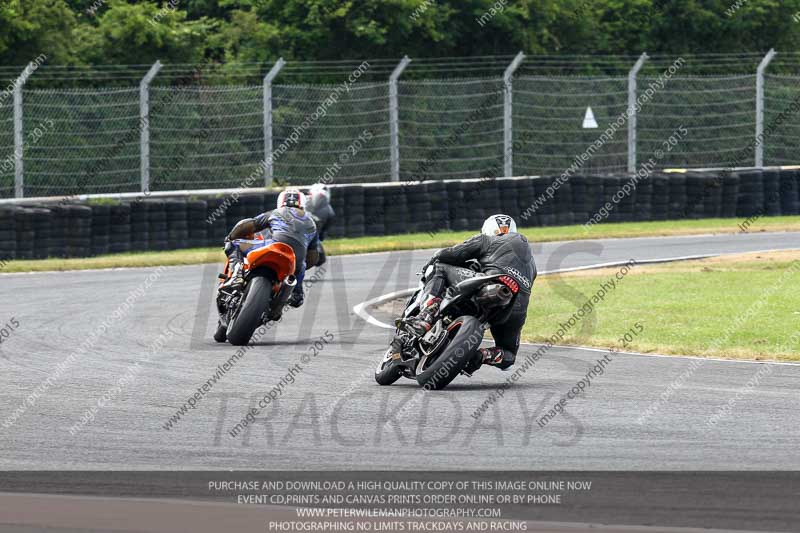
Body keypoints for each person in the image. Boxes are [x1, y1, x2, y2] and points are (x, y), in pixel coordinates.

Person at [399, 214, 536, 372]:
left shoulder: (486, 240)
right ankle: (482, 356)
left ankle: (427, 314)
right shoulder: (532, 265)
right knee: (509, 353)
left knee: (440, 267)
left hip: (489, 282)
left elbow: (449, 254)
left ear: (487, 229)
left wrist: (429, 265)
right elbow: (509, 358)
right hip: (516, 307)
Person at [222, 189, 319, 308]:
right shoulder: (312, 223)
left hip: (274, 246)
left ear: (280, 202)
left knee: (234, 244)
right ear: (303, 204)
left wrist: (231, 237)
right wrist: (300, 263)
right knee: (301, 268)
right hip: (296, 260)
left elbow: (249, 225)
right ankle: (296, 293)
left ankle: (237, 274)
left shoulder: (275, 212)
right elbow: (313, 257)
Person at [304, 183, 335, 266]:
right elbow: (322, 235)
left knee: (320, 257)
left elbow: (321, 235)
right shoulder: (330, 212)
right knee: (320, 257)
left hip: (306, 240)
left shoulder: (329, 212)